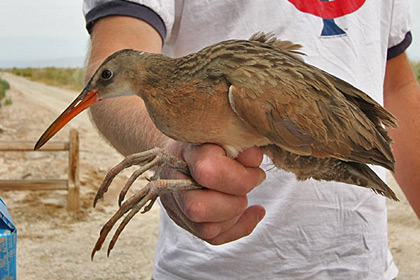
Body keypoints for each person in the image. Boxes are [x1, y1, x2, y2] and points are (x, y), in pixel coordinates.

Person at [82, 1, 420, 279]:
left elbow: (396, 86)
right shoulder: (182, 84)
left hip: (359, 263)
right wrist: (173, 152)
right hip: (207, 269)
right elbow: (115, 50)